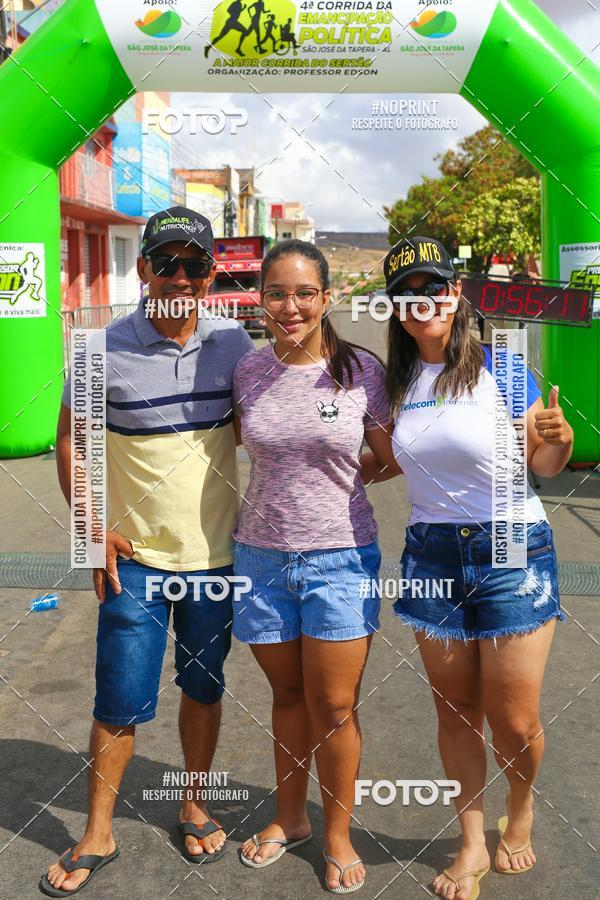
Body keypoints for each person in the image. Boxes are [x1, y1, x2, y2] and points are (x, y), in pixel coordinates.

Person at [41, 207, 254, 896]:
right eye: (168, 262)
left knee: (203, 687)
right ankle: (97, 831)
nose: (182, 276)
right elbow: (71, 440)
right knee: (119, 698)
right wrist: (89, 530)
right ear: (144, 269)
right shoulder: (100, 349)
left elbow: (271, 433)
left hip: (216, 559)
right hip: (132, 561)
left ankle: (193, 802)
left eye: (196, 264)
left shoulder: (234, 346)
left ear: (212, 272)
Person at [361, 236, 573, 900]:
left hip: (512, 547)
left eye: (435, 288)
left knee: (514, 721)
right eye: (408, 293)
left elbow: (541, 466)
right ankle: (472, 841)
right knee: (455, 712)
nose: (423, 301)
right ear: (395, 308)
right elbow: (384, 462)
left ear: (456, 295)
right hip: (430, 554)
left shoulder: (504, 367)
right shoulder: (396, 381)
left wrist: (557, 443)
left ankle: (524, 804)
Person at [231, 239, 396, 893]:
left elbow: (388, 455)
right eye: (277, 293)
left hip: (341, 558)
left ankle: (336, 834)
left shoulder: (362, 370)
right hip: (261, 558)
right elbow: (238, 445)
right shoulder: (246, 371)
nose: (290, 305)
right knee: (288, 696)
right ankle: (291, 818)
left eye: (305, 292)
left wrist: (345, 486)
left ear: (327, 297)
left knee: (333, 703)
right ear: (262, 300)